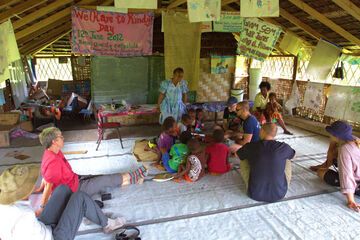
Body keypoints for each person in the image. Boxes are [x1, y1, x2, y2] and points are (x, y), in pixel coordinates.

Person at [39, 127, 147, 216]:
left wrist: (38, 189)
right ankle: (138, 173)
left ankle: (135, 180)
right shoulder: (52, 161)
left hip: (75, 179)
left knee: (102, 178)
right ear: (54, 142)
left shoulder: (52, 152)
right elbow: (48, 184)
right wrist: (42, 207)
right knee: (105, 180)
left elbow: (46, 177)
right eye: (60, 137)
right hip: (74, 190)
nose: (63, 138)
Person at [0, 164, 125, 240]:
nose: (33, 184)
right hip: (54, 238)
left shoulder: (4, 206)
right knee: (80, 198)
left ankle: (78, 212)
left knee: (63, 189)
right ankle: (108, 224)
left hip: (40, 228)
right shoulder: (25, 216)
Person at [237, 123, 295, 203]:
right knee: (287, 158)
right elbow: (293, 155)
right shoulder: (283, 147)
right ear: (275, 134)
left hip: (254, 193)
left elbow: (238, 154)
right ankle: (278, 182)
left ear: (262, 131)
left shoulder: (251, 146)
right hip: (280, 194)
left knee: (244, 158)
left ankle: (254, 181)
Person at [314, 121, 360, 212]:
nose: (329, 135)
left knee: (320, 172)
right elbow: (329, 161)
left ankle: (352, 187)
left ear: (336, 135)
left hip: (357, 181)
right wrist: (332, 143)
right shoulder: (355, 139)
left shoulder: (345, 149)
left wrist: (350, 200)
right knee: (322, 169)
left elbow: (346, 174)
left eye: (330, 133)